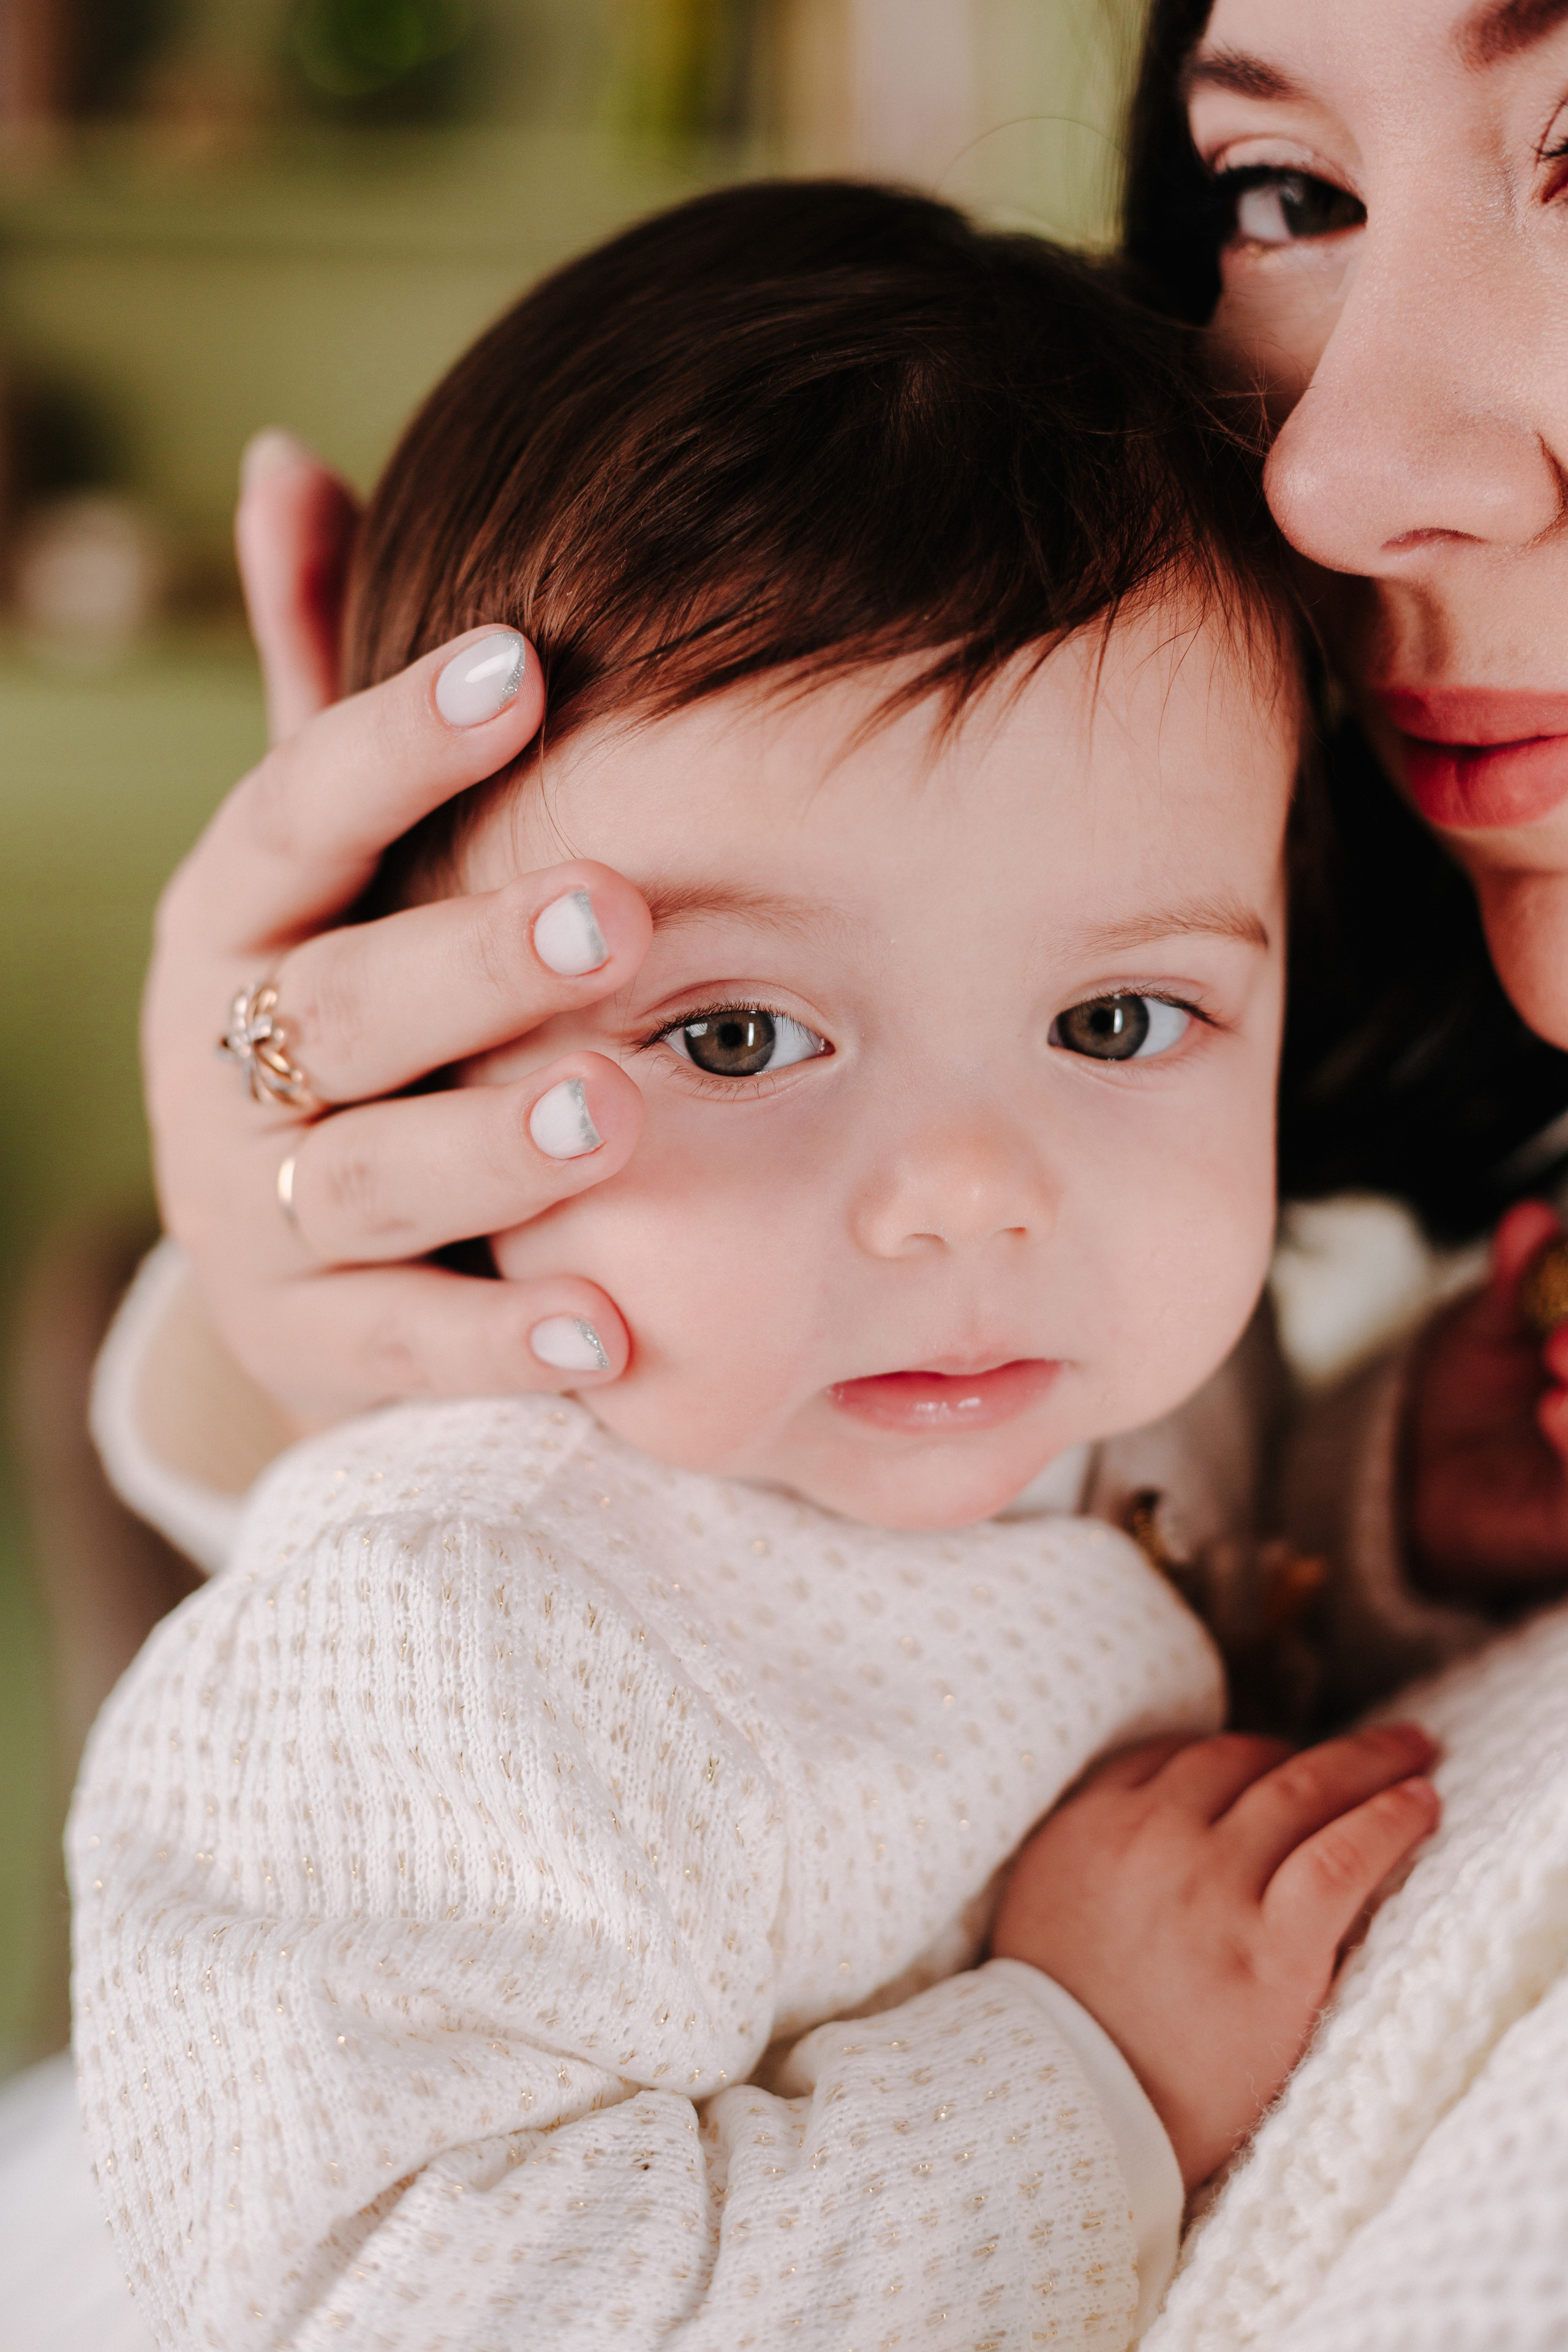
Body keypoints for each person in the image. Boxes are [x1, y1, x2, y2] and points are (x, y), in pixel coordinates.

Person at [67, 181, 1445, 2352]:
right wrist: (1083, 2070)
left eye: (1115, 1022)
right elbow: (393, 2306)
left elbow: (1211, 1562)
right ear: (415, 1004)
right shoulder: (454, 1643)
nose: (966, 1197)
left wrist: (1423, 1489)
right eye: (734, 1037)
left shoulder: (1100, 1358)